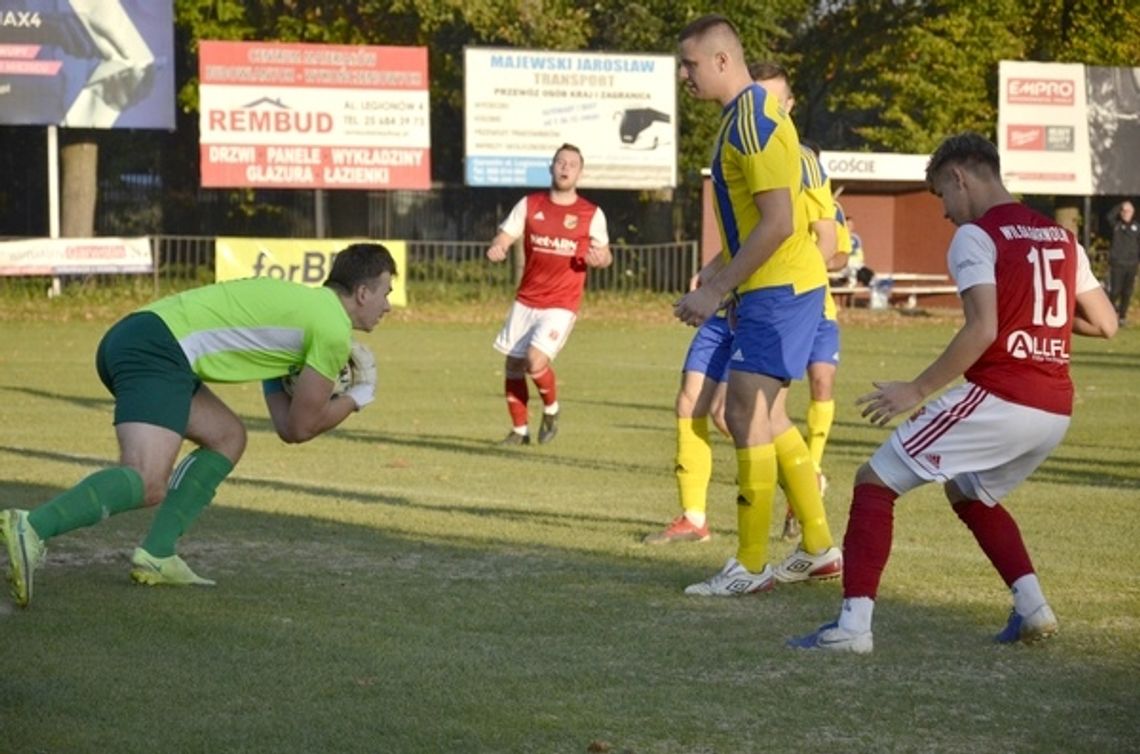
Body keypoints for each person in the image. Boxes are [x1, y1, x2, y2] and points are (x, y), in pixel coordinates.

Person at [789, 132, 1118, 654]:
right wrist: (1033, 313)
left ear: (960, 177)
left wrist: (915, 389)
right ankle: (1033, 608)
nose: (944, 212)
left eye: (942, 194)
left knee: (874, 482)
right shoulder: (1060, 237)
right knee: (969, 491)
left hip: (1002, 397)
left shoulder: (976, 236)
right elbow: (1106, 324)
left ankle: (851, 629)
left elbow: (982, 328)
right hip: (1054, 409)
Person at [1, 243, 396, 607]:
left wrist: (296, 380)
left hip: (141, 336)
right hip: (156, 349)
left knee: (228, 437)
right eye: (386, 292)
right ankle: (31, 526)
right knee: (148, 479)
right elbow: (302, 427)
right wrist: (357, 398)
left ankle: (158, 554)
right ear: (362, 292)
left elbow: (285, 424)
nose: (388, 305)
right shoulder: (331, 329)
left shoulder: (307, 307)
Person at [644, 61, 844, 555]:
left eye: (777, 100)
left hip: (769, 293)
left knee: (750, 413)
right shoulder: (740, 128)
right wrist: (716, 270)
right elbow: (754, 227)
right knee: (699, 403)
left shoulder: (783, 146)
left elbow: (812, 239)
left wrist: (730, 286)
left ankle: (762, 554)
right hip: (739, 289)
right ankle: (699, 518)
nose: (767, 106)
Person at [486, 143, 612, 445]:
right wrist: (499, 247)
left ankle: (552, 410)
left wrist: (601, 259)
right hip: (526, 299)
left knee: (534, 360)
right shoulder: (530, 204)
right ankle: (520, 432)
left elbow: (605, 254)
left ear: (580, 172)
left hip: (561, 303)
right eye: (560, 162)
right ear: (551, 167)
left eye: (572, 164)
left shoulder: (591, 213)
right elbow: (505, 235)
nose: (565, 167)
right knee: (513, 365)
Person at [1105, 200, 1139, 325]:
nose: (1126, 213)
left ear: (1133, 213)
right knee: (1114, 291)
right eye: (1124, 211)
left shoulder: (1137, 227)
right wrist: (1121, 206)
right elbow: (1109, 216)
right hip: (1117, 264)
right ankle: (1109, 315)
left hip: (1131, 264)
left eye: (1128, 211)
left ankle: (1122, 317)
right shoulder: (1116, 225)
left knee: (1127, 292)